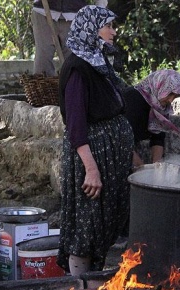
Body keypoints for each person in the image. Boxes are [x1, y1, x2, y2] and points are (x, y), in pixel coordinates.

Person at [57, 5, 133, 276]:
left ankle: (92, 286)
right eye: (108, 26)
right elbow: (76, 126)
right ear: (91, 28)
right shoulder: (78, 68)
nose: (114, 32)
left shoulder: (98, 61)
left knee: (103, 225)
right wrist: (91, 169)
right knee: (86, 226)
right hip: (92, 158)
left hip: (108, 155)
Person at [123, 69, 180, 167]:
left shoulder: (161, 106)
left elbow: (158, 137)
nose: (171, 100)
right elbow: (123, 141)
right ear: (160, 85)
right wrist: (142, 169)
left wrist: (156, 168)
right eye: (170, 94)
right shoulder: (133, 99)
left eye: (175, 96)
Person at [31, 0, 108, 76]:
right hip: (43, 12)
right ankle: (42, 87)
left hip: (75, 16)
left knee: (74, 63)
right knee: (42, 62)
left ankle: (72, 87)